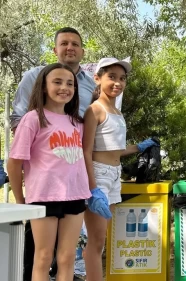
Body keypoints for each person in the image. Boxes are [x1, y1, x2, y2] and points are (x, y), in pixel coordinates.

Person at [8, 27, 101, 281]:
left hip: (75, 195)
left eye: (70, 83)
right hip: (43, 197)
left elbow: (85, 152)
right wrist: (20, 201)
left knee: (67, 257)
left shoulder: (77, 122)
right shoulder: (32, 119)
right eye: (57, 82)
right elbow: (14, 163)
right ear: (44, 85)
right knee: (43, 256)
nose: (65, 88)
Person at [82, 58, 158, 281]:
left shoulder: (117, 112)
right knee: (95, 243)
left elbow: (115, 149)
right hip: (99, 176)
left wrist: (139, 147)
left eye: (122, 78)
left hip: (114, 176)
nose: (118, 82)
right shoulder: (93, 110)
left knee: (101, 242)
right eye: (111, 77)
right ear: (98, 79)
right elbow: (85, 151)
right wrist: (93, 188)